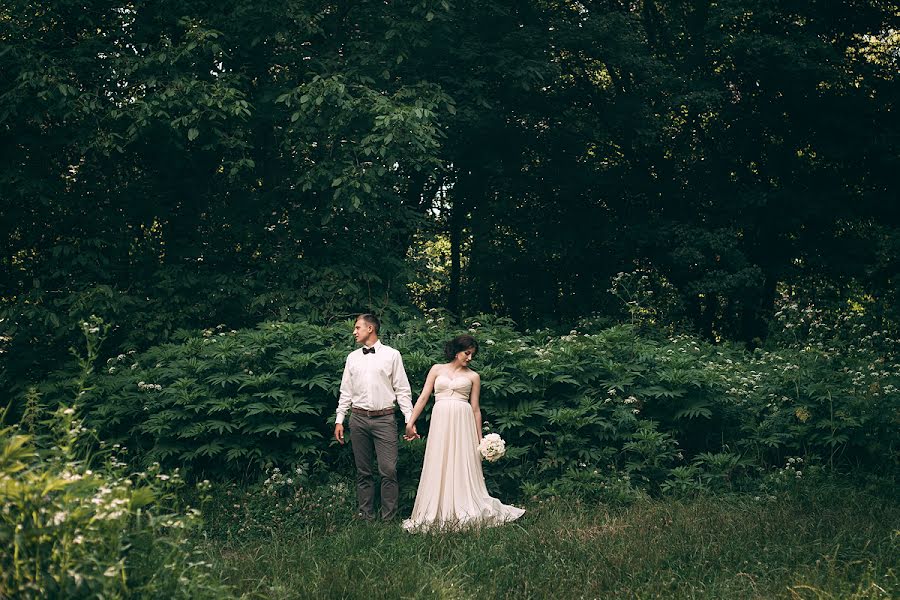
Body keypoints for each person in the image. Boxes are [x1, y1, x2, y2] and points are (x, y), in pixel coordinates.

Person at [402, 334, 525, 532]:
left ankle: (464, 506)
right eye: (467, 353)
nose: (469, 358)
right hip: (441, 420)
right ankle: (439, 509)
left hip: (463, 422)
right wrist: (410, 423)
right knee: (439, 460)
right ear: (456, 351)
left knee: (461, 461)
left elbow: (475, 409)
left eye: (472, 355)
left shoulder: (473, 376)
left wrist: (480, 441)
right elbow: (424, 397)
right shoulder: (436, 369)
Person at [334, 314, 414, 520]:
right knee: (363, 471)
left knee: (388, 470)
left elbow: (402, 390)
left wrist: (409, 420)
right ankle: (366, 516)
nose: (354, 331)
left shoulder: (392, 355)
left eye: (357, 327)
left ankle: (388, 518)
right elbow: (346, 391)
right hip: (358, 418)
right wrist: (339, 419)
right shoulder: (352, 357)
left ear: (370, 328)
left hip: (385, 420)